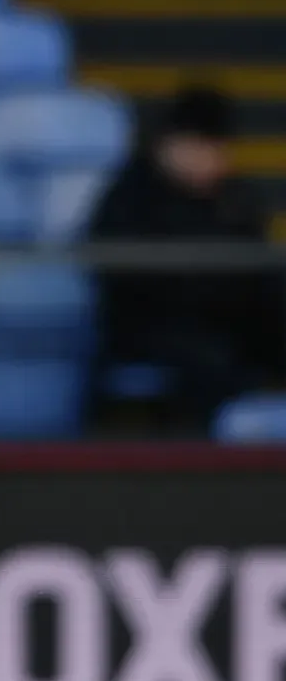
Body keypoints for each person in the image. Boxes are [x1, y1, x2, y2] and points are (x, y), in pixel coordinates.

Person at [90, 83, 284, 429]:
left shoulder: (233, 198)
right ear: (169, 143)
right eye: (198, 145)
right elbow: (121, 276)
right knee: (206, 356)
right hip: (154, 324)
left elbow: (256, 264)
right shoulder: (131, 195)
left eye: (215, 146)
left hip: (227, 316)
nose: (208, 157)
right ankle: (223, 438)